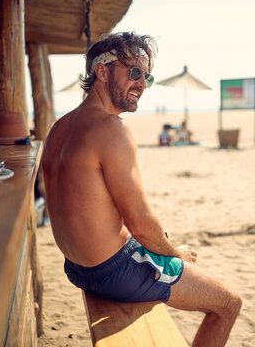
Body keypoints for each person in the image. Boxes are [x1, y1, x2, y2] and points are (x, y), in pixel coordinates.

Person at [41, 32, 241, 347]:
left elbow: (90, 208)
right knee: (229, 304)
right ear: (102, 72)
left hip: (77, 268)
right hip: (114, 271)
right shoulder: (112, 130)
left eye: (146, 75)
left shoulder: (59, 128)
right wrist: (174, 254)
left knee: (163, 247)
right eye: (134, 72)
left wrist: (163, 248)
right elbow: (140, 222)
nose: (143, 83)